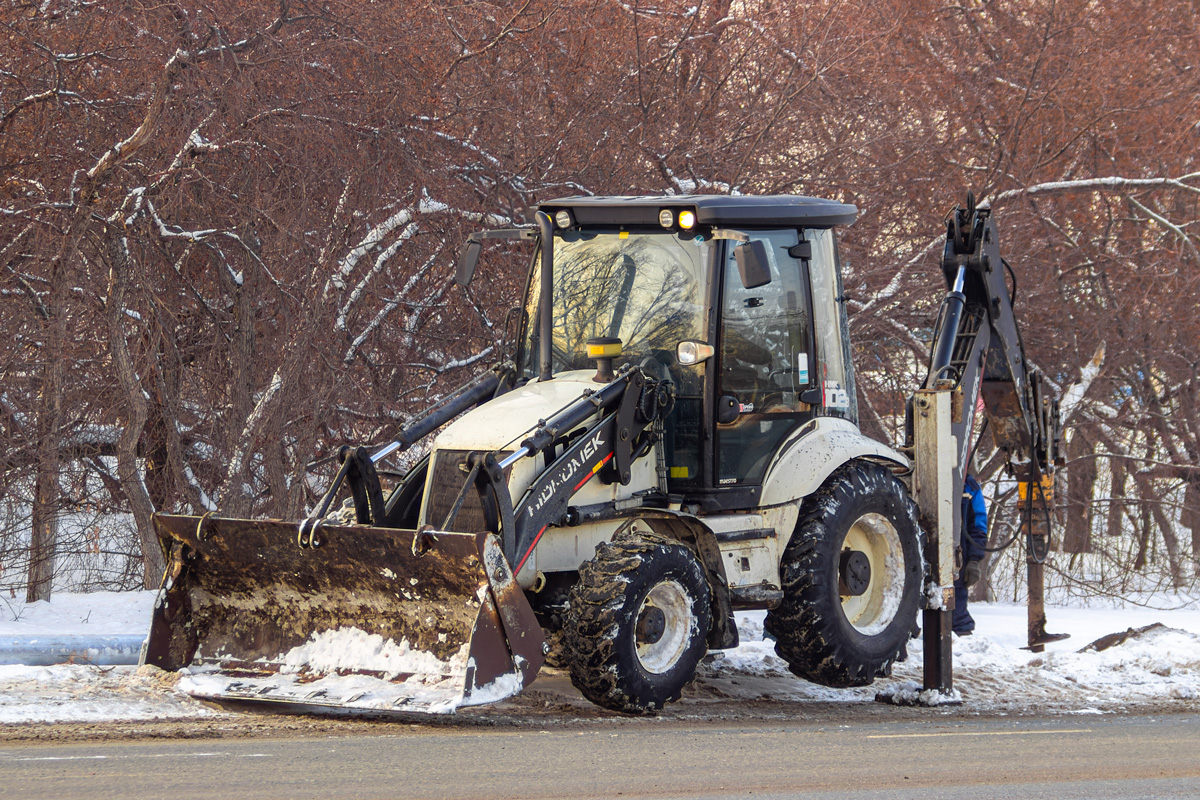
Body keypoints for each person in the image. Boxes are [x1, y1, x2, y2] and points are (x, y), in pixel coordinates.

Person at [954, 474, 988, 636]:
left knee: (956, 603)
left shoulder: (969, 486)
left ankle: (962, 637)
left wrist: (974, 560)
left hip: (957, 558)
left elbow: (978, 527)